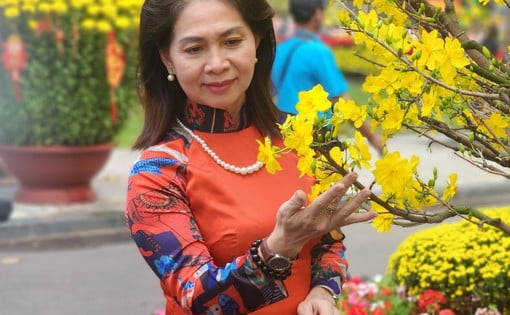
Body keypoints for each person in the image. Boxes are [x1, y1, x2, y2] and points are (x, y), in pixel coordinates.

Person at [126, 0, 378, 314]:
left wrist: (323, 291)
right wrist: (278, 248)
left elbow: (328, 241)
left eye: (232, 42)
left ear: (257, 40)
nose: (217, 63)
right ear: (167, 58)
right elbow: (200, 299)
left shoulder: (301, 138)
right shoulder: (158, 173)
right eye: (194, 49)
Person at [271, 0, 384, 154]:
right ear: (317, 14)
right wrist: (372, 137)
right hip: (316, 137)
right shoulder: (319, 52)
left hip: (284, 133)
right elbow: (341, 102)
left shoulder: (279, 51)